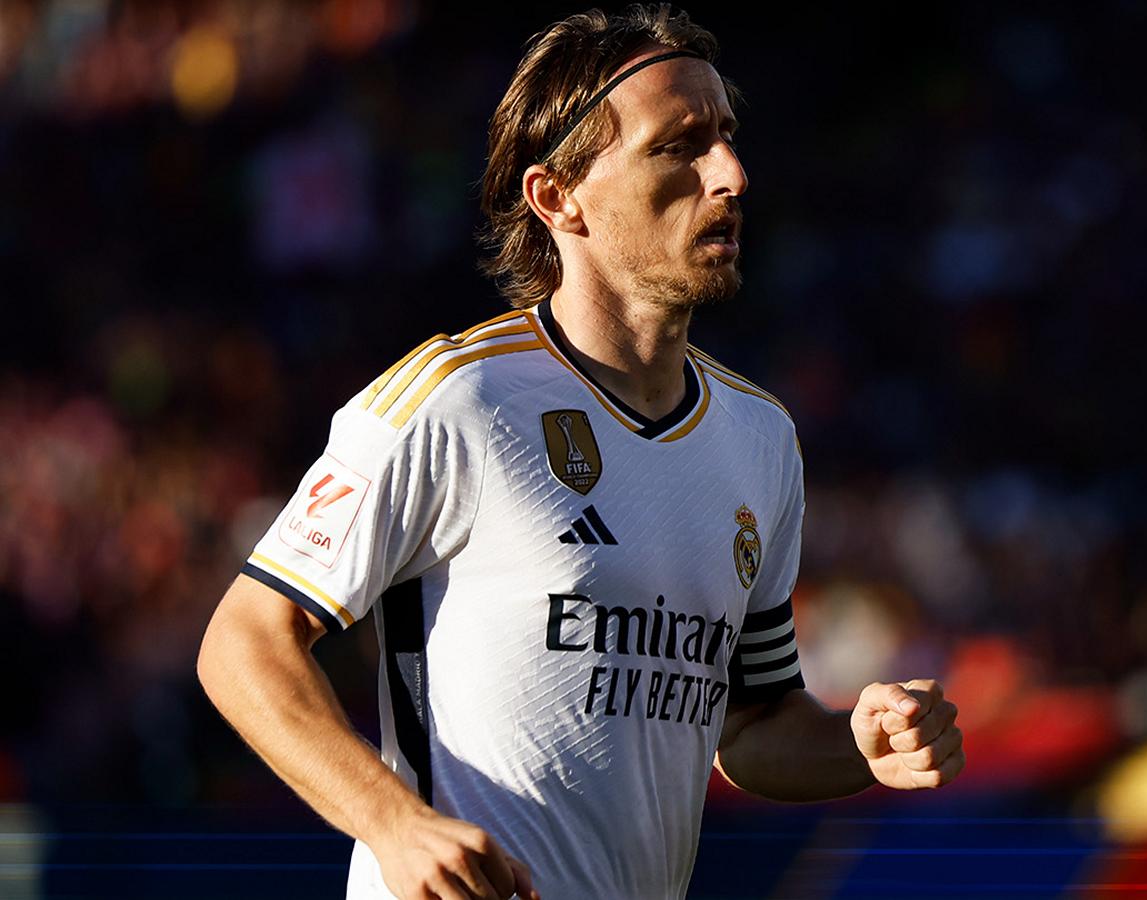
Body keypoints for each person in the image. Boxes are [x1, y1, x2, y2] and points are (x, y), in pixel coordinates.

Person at [197, 5, 965, 899]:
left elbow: (751, 727)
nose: (732, 173)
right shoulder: (458, 398)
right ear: (558, 197)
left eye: (727, 136)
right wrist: (393, 823)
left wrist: (857, 745)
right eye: (680, 145)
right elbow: (242, 642)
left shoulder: (759, 439)